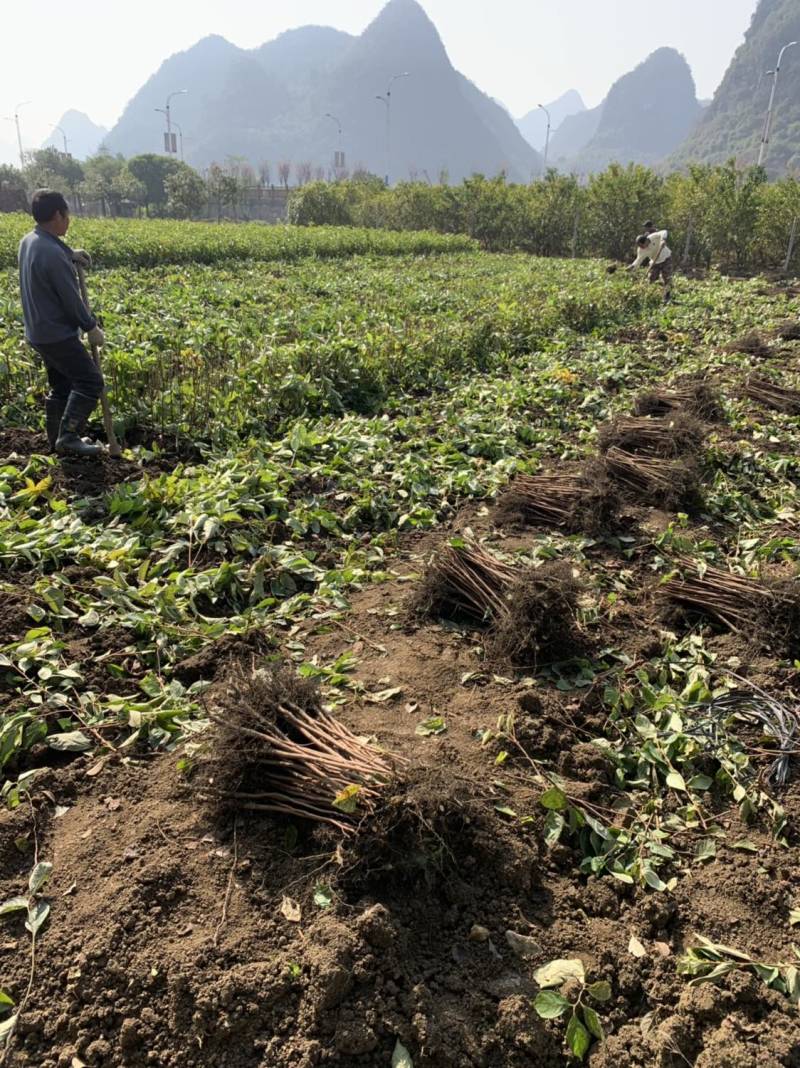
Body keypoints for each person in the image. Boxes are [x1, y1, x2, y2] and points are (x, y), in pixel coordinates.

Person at [18, 189, 106, 456]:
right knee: (91, 381)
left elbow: (48, 257)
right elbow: (70, 300)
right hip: (57, 334)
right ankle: (68, 436)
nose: (68, 221)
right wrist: (90, 326)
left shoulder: (30, 241)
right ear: (58, 215)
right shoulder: (52, 254)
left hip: (38, 330)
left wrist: (69, 253)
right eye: (67, 215)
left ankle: (56, 439)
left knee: (63, 385)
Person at [627, 228, 673, 302]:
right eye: (639, 246)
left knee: (667, 278)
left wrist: (663, 240)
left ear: (645, 241)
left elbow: (664, 231)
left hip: (666, 259)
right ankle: (649, 295)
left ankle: (667, 297)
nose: (641, 247)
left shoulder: (653, 236)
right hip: (655, 262)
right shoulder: (641, 250)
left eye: (642, 245)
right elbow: (638, 260)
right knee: (651, 279)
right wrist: (632, 266)